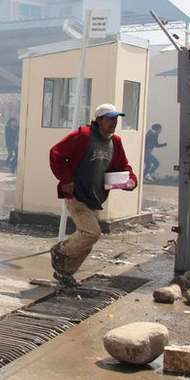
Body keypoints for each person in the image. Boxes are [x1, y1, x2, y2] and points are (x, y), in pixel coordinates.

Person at [49, 103, 137, 286]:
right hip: (77, 195)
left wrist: (131, 181)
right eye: (110, 118)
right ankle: (60, 250)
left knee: (86, 243)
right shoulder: (84, 135)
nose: (114, 122)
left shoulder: (115, 142)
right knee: (91, 233)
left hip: (95, 198)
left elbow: (123, 167)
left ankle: (64, 274)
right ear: (99, 120)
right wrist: (66, 179)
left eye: (116, 118)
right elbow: (56, 154)